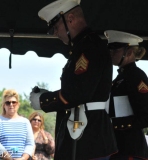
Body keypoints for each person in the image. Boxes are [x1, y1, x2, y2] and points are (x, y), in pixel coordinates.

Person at [29, 0, 117, 159]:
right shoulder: (83, 46)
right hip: (86, 135)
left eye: (56, 27)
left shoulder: (89, 47)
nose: (55, 33)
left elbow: (78, 93)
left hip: (89, 138)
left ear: (70, 18)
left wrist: (44, 100)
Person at [104, 30, 148, 160]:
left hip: (130, 151)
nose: (110, 54)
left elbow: (146, 116)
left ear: (129, 52)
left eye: (115, 50)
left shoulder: (136, 76)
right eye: (110, 50)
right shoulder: (121, 77)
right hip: (118, 148)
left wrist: (112, 124)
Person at [0, 89, 35, 160]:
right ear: (4, 105)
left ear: (18, 104)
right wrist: (8, 158)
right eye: (8, 103)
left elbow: (30, 143)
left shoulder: (25, 122)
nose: (11, 105)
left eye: (14, 102)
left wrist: (23, 158)